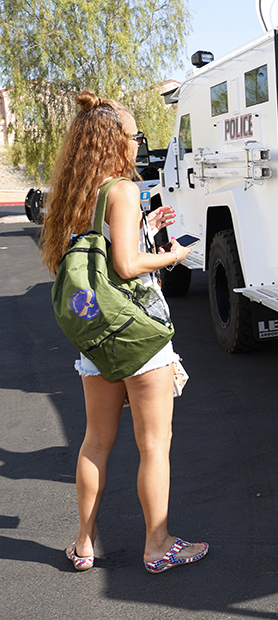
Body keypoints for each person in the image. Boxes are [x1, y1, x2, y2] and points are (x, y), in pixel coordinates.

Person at [40, 91, 208, 573]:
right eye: (135, 136)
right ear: (116, 141)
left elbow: (103, 249)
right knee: (154, 445)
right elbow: (128, 264)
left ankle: (84, 545)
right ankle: (158, 546)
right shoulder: (122, 188)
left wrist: (145, 223)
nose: (138, 144)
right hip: (136, 334)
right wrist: (174, 255)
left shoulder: (79, 193)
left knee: (95, 442)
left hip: (97, 334)